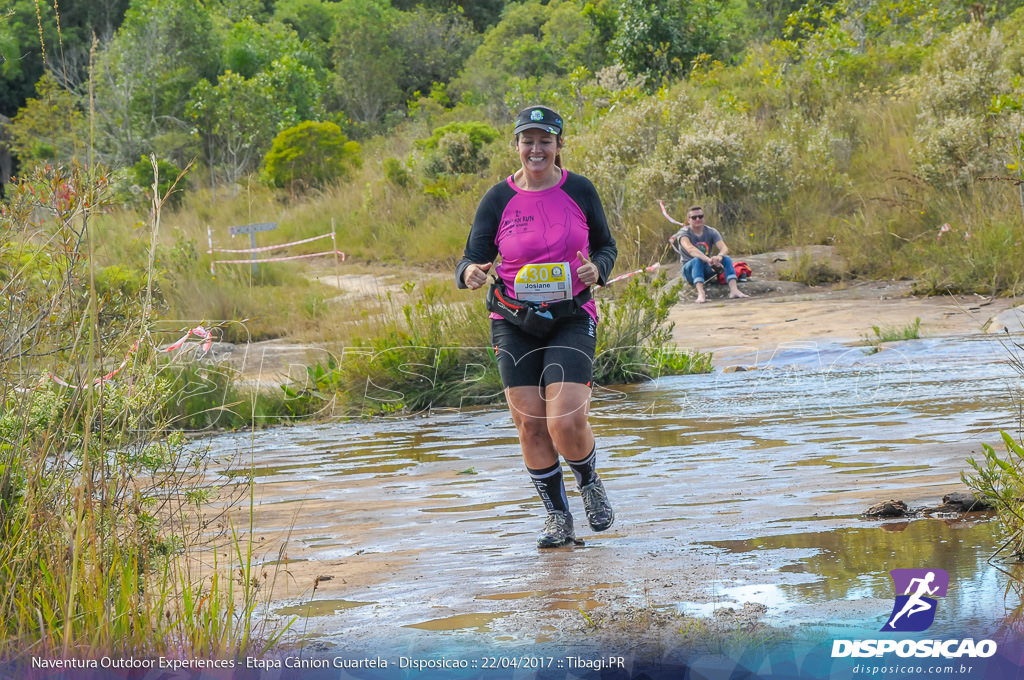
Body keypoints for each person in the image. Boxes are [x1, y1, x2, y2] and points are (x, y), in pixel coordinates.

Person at [456, 105, 618, 549]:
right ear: (517, 146)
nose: (536, 148)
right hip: (513, 321)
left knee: (565, 419)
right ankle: (558, 519)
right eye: (528, 140)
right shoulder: (497, 198)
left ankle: (589, 482)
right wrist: (469, 273)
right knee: (530, 423)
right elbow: (471, 256)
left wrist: (597, 271)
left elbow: (606, 246)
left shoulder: (580, 190)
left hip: (571, 316)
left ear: (559, 145)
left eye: (545, 140)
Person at [669, 206, 749, 304]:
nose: (698, 219)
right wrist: (708, 260)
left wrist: (719, 257)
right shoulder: (684, 233)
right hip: (690, 270)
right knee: (697, 260)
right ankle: (701, 293)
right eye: (694, 217)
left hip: (707, 267)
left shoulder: (711, 231)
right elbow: (691, 250)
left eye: (700, 216)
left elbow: (724, 248)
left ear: (704, 217)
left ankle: (734, 290)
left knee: (726, 258)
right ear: (688, 220)